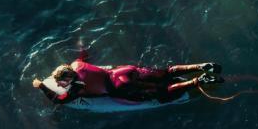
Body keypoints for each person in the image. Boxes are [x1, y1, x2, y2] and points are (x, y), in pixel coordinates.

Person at [32, 51, 223, 104]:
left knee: (160, 94)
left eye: (61, 81)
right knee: (165, 72)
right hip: (123, 71)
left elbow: (59, 101)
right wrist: (84, 53)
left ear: (69, 79)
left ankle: (197, 81)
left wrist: (41, 85)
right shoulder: (76, 64)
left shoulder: (75, 89)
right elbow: (83, 57)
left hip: (120, 87)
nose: (59, 84)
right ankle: (200, 66)